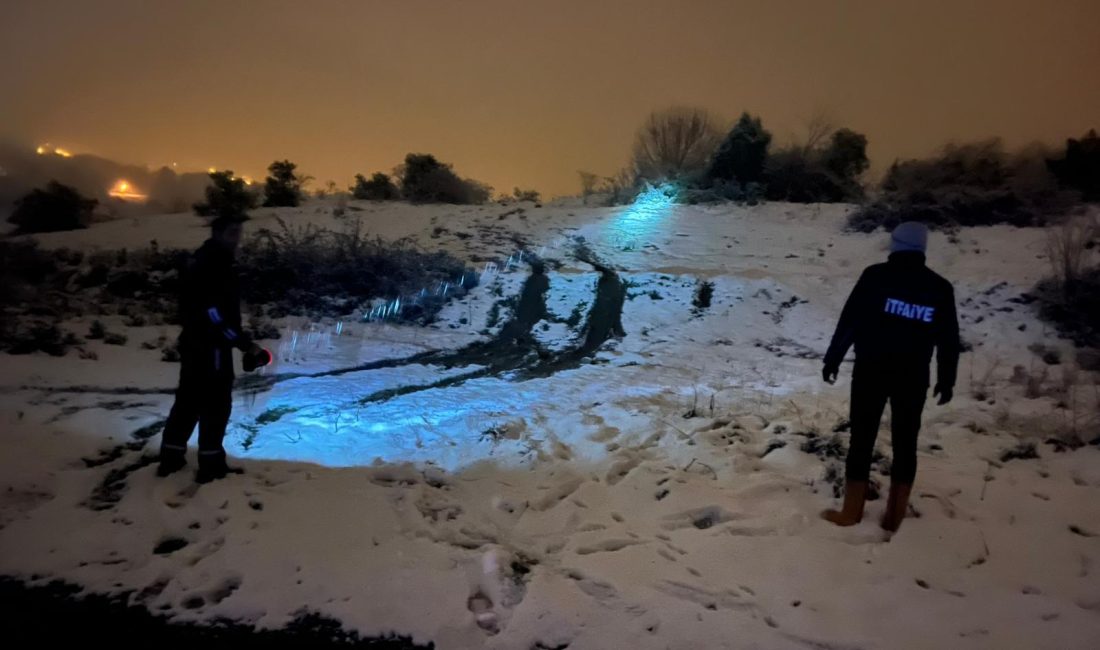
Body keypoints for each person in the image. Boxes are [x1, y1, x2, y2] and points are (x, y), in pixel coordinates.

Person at [821, 221, 960, 532]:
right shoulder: (939, 288)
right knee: (906, 443)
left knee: (861, 439)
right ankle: (893, 519)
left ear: (895, 244)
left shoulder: (875, 277)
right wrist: (946, 378)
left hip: (871, 371)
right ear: (922, 248)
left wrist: (833, 358)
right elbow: (949, 339)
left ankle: (850, 513)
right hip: (913, 377)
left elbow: (850, 320)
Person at [157, 214, 265, 483]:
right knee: (215, 405)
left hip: (196, 343)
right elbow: (213, 313)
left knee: (189, 401)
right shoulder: (214, 263)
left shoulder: (207, 258)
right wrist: (244, 344)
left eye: (239, 232)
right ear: (218, 233)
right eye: (232, 232)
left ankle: (171, 458)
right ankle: (211, 465)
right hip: (211, 348)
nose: (237, 238)